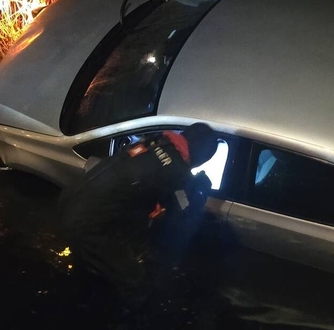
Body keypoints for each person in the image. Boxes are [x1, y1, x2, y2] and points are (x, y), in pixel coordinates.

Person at [57, 123, 219, 309]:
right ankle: (113, 326)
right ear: (201, 158)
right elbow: (184, 212)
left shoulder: (156, 140)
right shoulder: (178, 173)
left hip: (70, 200)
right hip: (85, 226)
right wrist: (200, 190)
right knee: (136, 282)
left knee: (97, 265)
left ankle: (86, 290)